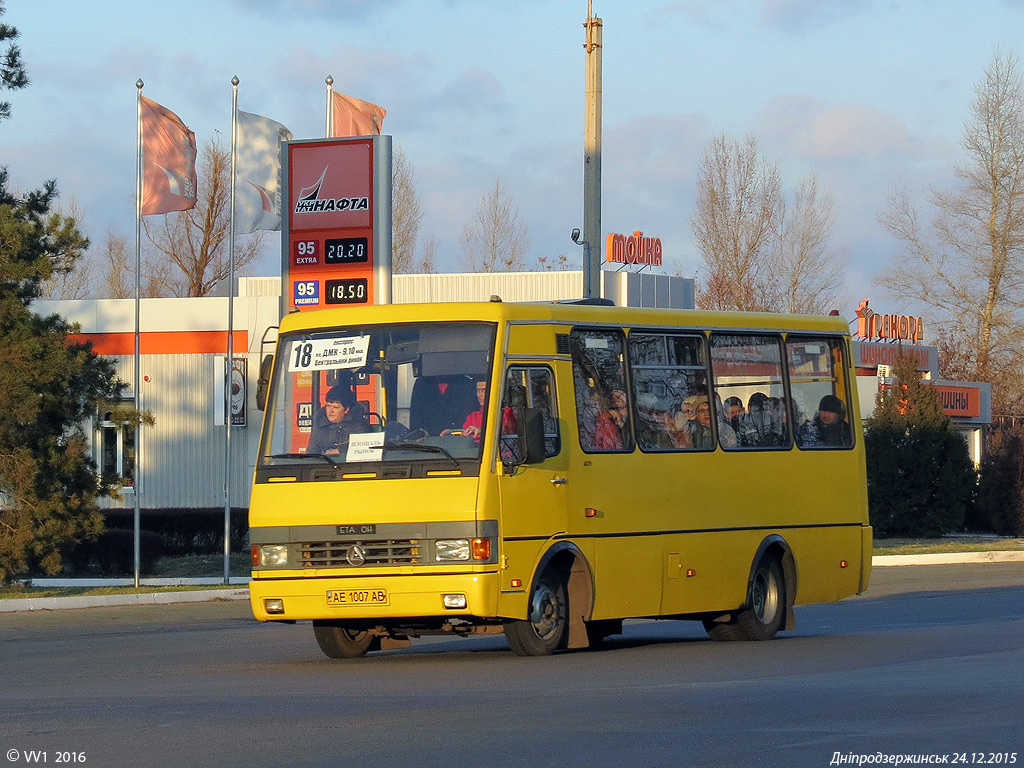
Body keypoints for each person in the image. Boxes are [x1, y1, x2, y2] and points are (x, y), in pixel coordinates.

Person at [307, 385, 370, 455]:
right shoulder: (320, 426)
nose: (331, 411)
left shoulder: (359, 426)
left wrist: (341, 452)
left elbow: (365, 449)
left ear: (346, 410)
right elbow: (311, 453)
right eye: (328, 406)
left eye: (336, 407)